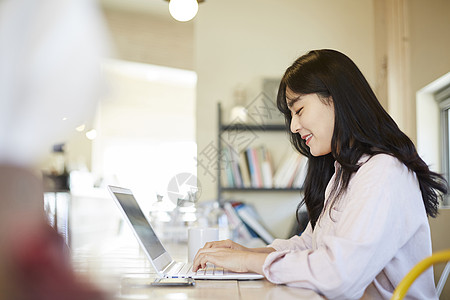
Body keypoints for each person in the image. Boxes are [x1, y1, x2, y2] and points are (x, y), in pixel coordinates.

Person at [192, 49, 448, 299]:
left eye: (299, 110)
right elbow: (310, 244)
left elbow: (339, 276)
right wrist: (248, 254)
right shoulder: (344, 173)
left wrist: (247, 260)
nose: (293, 126)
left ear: (335, 99)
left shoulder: (383, 172)